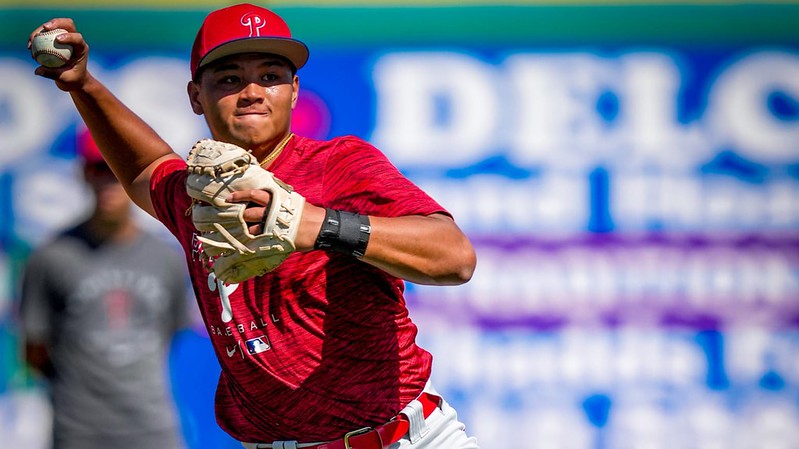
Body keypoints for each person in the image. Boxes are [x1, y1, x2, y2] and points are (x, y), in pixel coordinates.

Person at [28, 3, 479, 448]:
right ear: (194, 96)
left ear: (294, 90)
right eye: (229, 79)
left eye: (270, 76)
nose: (252, 91)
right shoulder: (199, 192)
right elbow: (146, 167)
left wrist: (317, 224)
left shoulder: (338, 165)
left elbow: (454, 258)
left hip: (402, 440)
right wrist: (83, 85)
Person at [18, 129, 191, 449]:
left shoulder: (166, 257)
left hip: (153, 429)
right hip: (79, 431)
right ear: (84, 173)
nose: (109, 181)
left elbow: (170, 335)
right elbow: (34, 351)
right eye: (100, 169)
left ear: (133, 175)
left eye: (117, 170)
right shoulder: (50, 257)